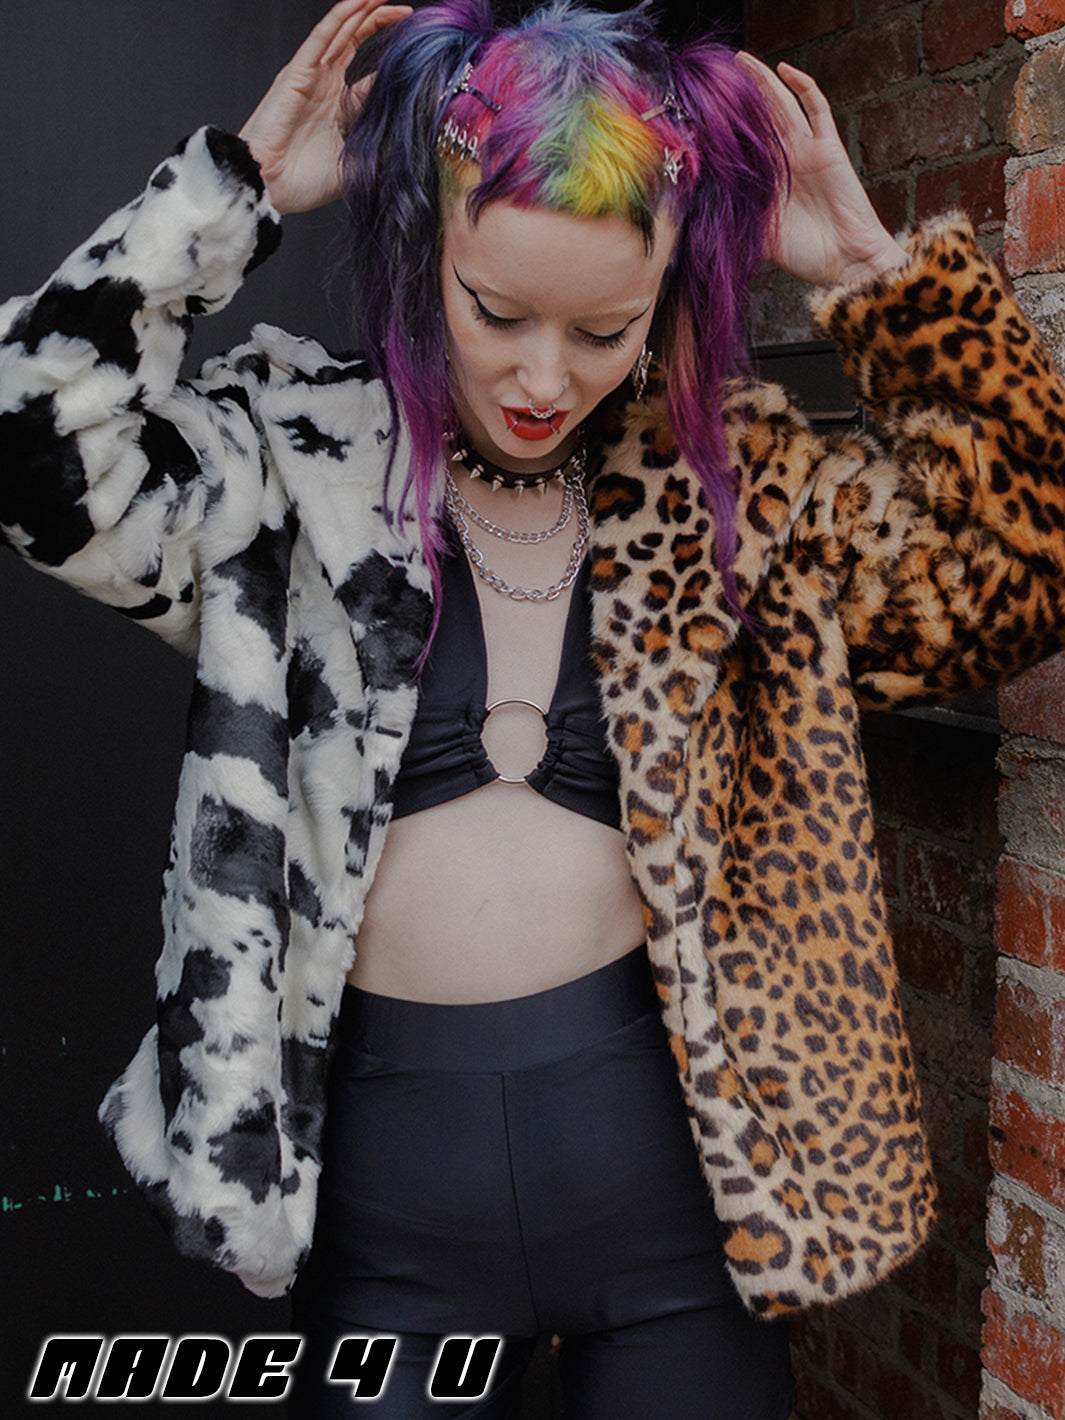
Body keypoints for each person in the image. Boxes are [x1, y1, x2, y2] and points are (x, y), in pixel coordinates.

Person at [3, 0, 1065, 1414]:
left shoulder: (733, 498)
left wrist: (883, 280)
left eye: (605, 328)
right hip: (385, 1228)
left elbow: (1021, 570)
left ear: (666, 296)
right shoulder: (292, 466)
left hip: (678, 1219)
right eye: (497, 311)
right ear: (422, 251)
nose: (543, 377)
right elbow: (30, 447)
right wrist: (228, 199)